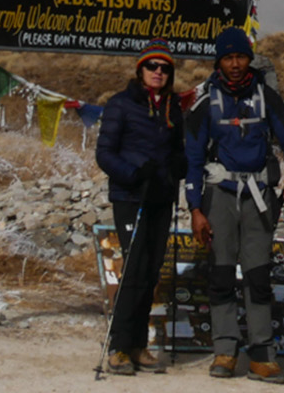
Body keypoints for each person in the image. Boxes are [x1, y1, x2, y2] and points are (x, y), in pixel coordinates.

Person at [186, 26, 284, 382]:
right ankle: (224, 351)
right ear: (218, 61)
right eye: (228, 57)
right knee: (221, 274)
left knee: (258, 276)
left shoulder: (267, 98)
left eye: (241, 56)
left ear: (249, 59)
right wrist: (195, 208)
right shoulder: (205, 102)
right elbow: (192, 159)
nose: (235, 64)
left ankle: (263, 355)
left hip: (259, 197)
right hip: (218, 197)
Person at [95, 41, 187, 376]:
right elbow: (104, 153)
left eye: (165, 68)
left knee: (151, 271)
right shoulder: (121, 105)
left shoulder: (172, 107)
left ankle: (137, 345)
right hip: (132, 196)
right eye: (153, 67)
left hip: (162, 197)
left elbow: (178, 147)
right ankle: (119, 347)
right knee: (134, 269)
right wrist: (133, 174)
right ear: (140, 70)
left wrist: (180, 163)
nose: (158, 72)